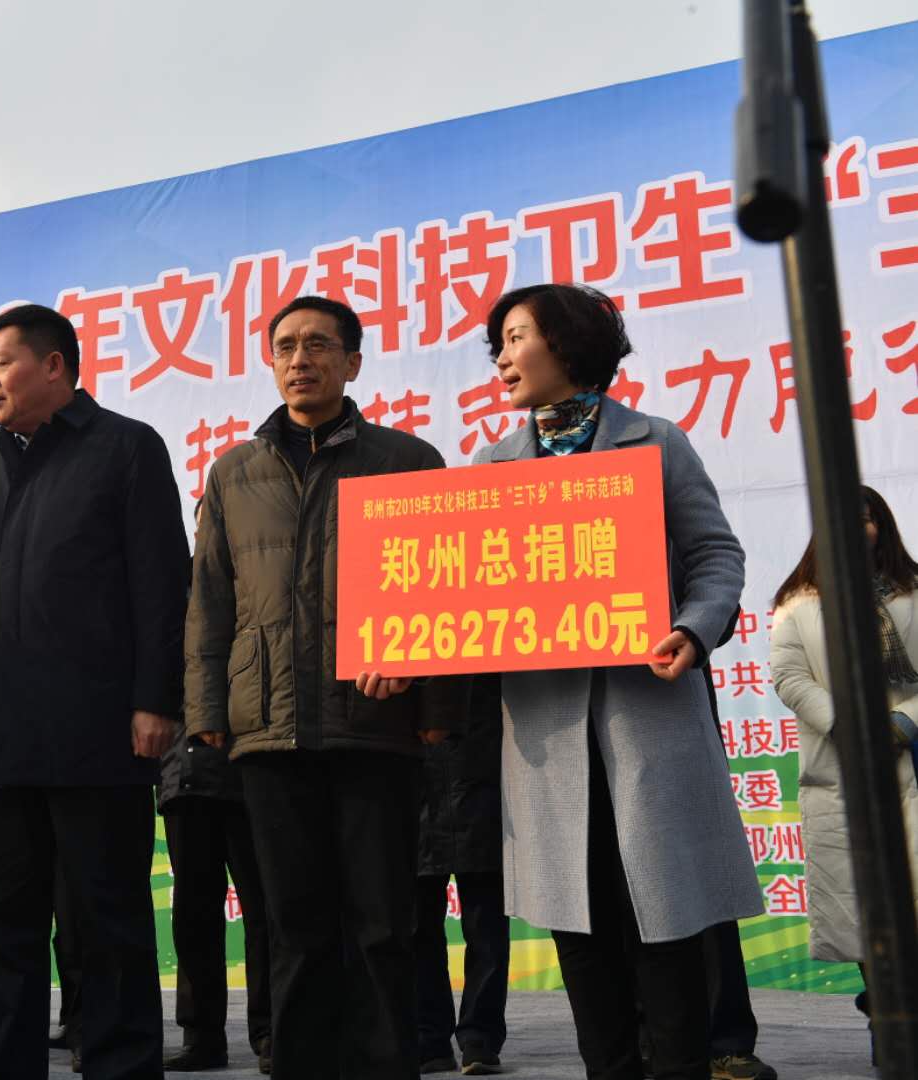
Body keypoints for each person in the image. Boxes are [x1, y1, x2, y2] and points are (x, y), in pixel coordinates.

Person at [474, 283, 761, 1080]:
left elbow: (714, 555)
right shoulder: (491, 467)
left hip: (648, 720)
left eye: (517, 337)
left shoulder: (655, 441)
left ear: (567, 344)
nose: (502, 358)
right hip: (546, 734)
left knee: (665, 927)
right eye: (499, 344)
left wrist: (693, 629)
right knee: (582, 933)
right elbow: (464, 596)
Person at [185, 295, 463, 1079]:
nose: (300, 359)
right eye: (285, 346)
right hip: (269, 731)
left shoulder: (408, 461)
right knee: (293, 924)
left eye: (317, 345)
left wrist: (436, 707)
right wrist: (207, 710)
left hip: (377, 726)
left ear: (352, 362)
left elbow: (439, 595)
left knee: (382, 923)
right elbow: (209, 602)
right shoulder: (233, 473)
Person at [0, 303, 189, 1080]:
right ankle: (8, 1064)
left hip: (96, 725)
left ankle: (119, 1064)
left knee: (105, 915)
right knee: (5, 920)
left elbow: (160, 583)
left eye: (2, 364)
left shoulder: (126, 447)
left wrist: (157, 700)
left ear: (55, 365)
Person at [771, 484, 918, 1060]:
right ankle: (886, 1021)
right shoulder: (798, 602)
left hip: (910, 764)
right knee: (865, 911)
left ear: (883, 527)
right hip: (841, 773)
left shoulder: (913, 592)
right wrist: (851, 728)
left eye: (868, 518)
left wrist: (901, 724)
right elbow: (789, 677)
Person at [161, 502, 270, 1074]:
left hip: (256, 769)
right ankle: (201, 1036)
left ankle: (272, 1033)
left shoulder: (261, 578)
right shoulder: (169, 588)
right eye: (206, 519)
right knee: (194, 915)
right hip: (187, 774)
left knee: (266, 910)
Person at [415, 673, 508, 1076]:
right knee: (417, 922)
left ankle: (479, 1037)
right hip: (415, 770)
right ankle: (428, 1037)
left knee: (485, 920)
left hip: (481, 759)